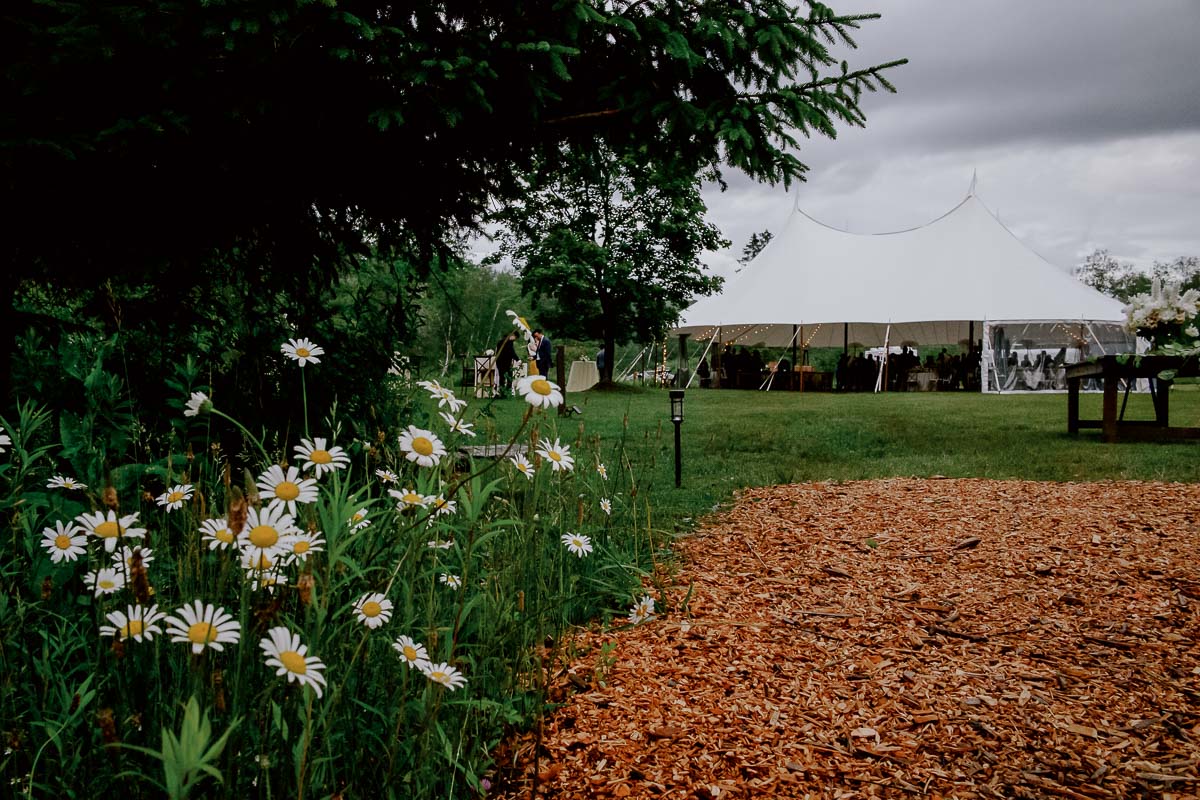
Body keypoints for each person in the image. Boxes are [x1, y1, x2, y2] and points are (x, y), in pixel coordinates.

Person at [495, 332, 517, 397]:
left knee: (502, 378)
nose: (514, 339)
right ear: (512, 336)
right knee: (509, 377)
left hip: (499, 362)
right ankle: (507, 391)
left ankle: (502, 392)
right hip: (505, 362)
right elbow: (511, 352)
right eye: (515, 338)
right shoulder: (508, 342)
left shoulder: (500, 342)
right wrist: (517, 359)